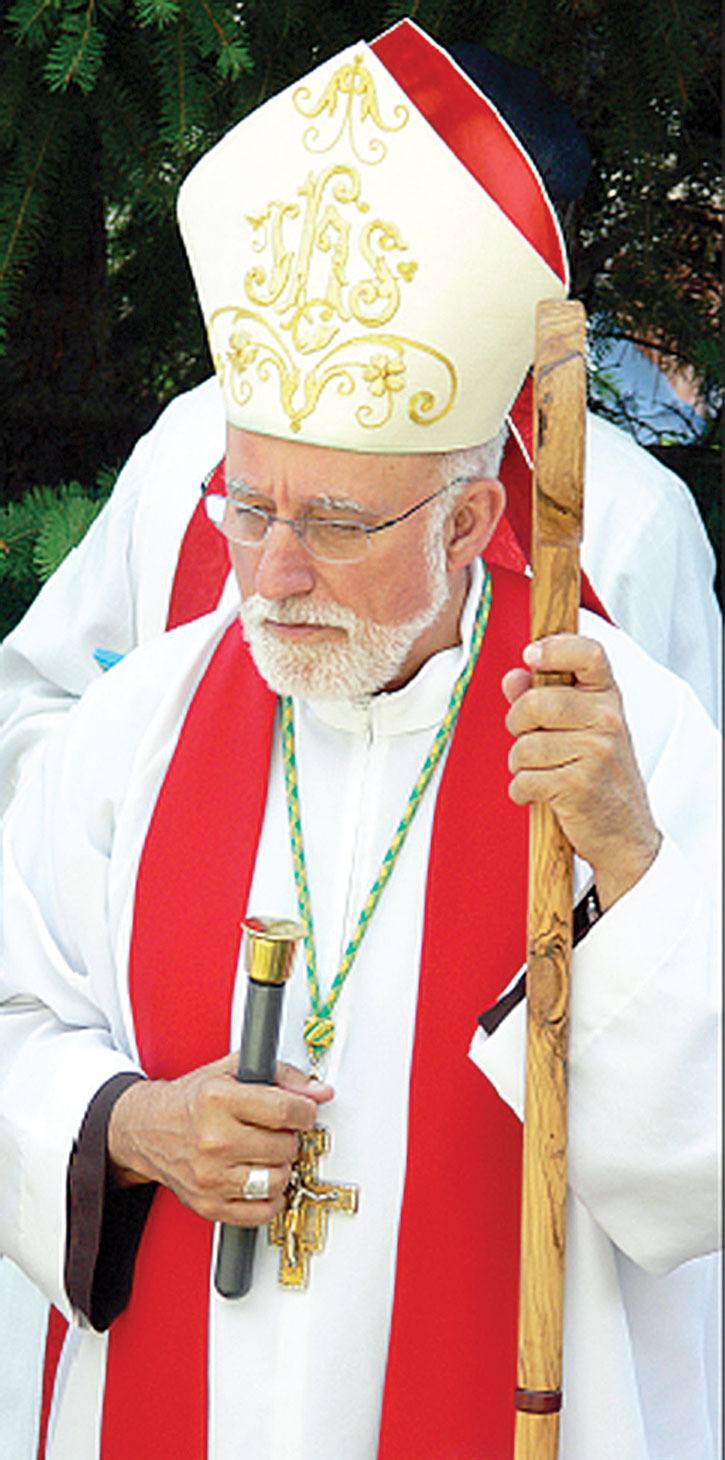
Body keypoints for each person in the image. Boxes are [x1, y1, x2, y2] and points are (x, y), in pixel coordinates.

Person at [0, 20, 720, 1460]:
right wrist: (124, 1124)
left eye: (333, 526)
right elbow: (16, 1017)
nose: (266, 574)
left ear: (467, 520)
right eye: (247, 509)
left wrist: (632, 861)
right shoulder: (133, 727)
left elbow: (698, 1175)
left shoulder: (616, 730)